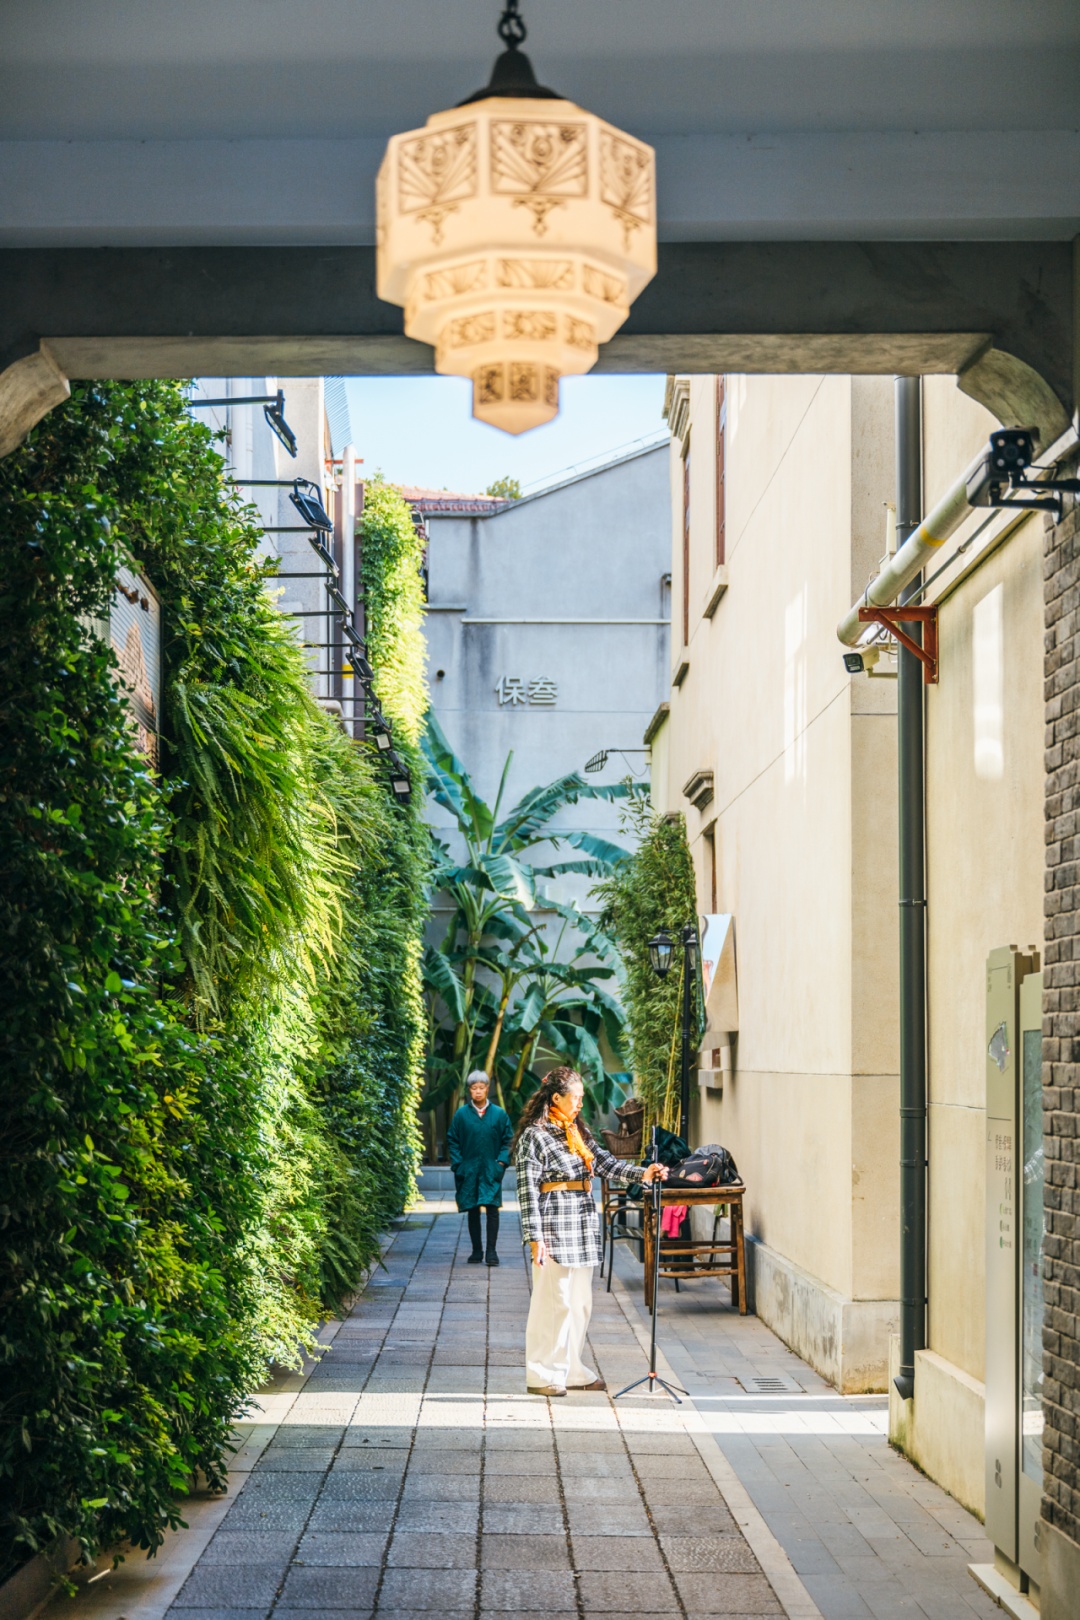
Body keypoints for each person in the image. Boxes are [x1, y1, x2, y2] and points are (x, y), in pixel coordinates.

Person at [513, 1066, 668, 1396]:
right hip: (554, 1228)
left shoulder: (577, 1132)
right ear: (557, 1098)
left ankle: (571, 1370)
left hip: (581, 1226)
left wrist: (644, 1173)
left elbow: (606, 1164)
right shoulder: (534, 1136)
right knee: (554, 1303)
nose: (580, 1103)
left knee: (579, 1303)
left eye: (582, 1098)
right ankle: (542, 1374)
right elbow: (527, 1190)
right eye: (576, 1098)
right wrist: (535, 1237)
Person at [446, 1069, 514, 1266]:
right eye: (474, 1088)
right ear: (469, 1090)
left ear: (487, 1089)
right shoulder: (461, 1114)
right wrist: (458, 1164)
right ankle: (477, 1251)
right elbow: (452, 1140)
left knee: (493, 1209)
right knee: (472, 1209)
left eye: (481, 1088)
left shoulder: (499, 1114)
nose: (477, 1091)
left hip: (490, 1169)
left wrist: (501, 1163)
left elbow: (508, 1141)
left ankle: (491, 1252)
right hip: (469, 1169)